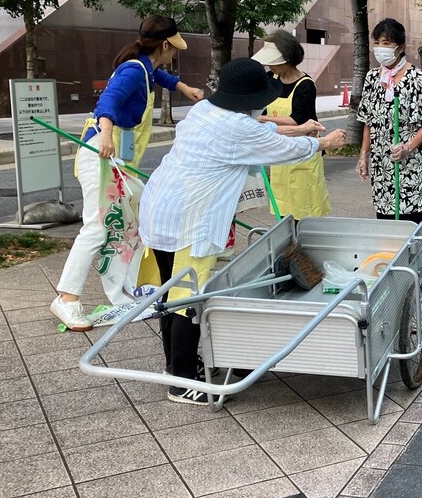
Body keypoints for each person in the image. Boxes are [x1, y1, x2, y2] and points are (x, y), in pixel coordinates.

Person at [139, 58, 346, 404]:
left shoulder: (205, 110)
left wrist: (299, 128)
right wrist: (323, 143)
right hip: (191, 219)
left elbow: (262, 131)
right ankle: (182, 381)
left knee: (169, 290)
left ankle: (177, 364)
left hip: (159, 207)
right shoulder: (237, 128)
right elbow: (278, 148)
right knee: (186, 299)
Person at [51, 15, 204, 332]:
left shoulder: (145, 68)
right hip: (102, 158)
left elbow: (159, 76)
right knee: (97, 227)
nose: (174, 54)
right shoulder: (133, 70)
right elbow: (108, 101)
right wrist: (105, 133)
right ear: (164, 45)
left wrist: (183, 87)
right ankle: (67, 299)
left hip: (120, 163)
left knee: (137, 219)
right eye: (173, 48)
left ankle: (133, 293)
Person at [355, 18, 422, 286]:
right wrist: (363, 155)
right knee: (385, 213)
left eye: (387, 43)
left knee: (414, 214)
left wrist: (408, 146)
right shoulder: (372, 77)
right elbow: (368, 119)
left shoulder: (415, 77)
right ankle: (392, 264)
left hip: (410, 160)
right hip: (382, 159)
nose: (381, 48)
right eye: (377, 43)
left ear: (400, 47)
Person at [251, 30, 332, 219]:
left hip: (303, 148)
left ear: (287, 59)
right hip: (280, 148)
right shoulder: (270, 79)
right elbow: (262, 107)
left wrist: (264, 120)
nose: (270, 65)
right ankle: (289, 244)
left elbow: (297, 119)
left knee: (306, 204)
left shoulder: (306, 84)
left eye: (273, 62)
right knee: (283, 204)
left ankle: (306, 242)